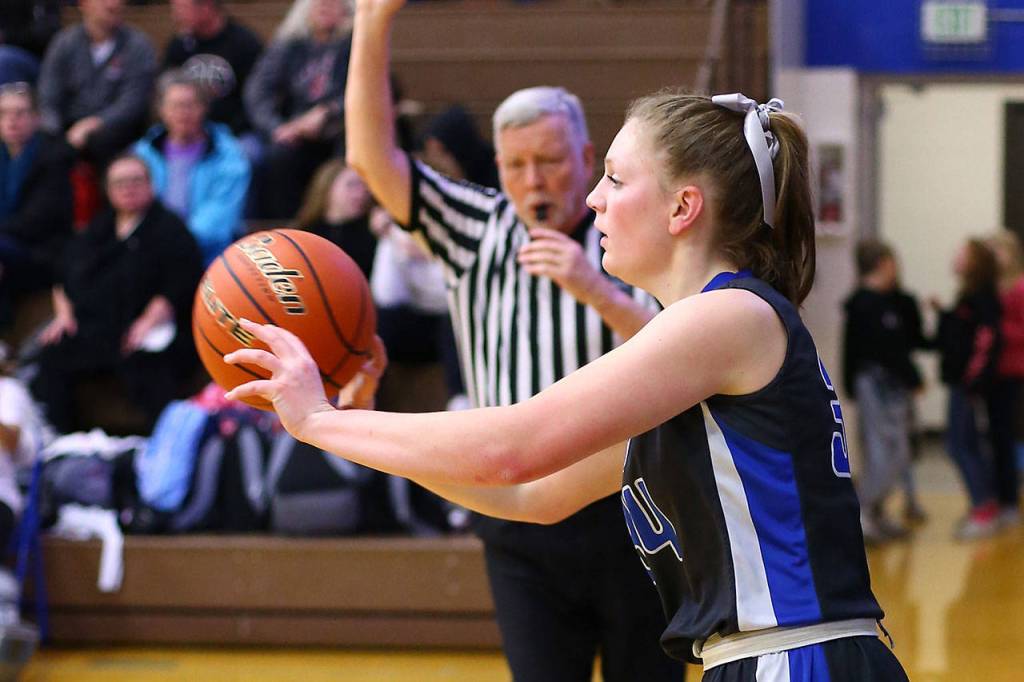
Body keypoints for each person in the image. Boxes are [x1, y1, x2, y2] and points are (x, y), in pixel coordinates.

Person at [223, 83, 909, 679]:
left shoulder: (727, 316)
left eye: (613, 177)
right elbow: (528, 493)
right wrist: (353, 432)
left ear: (682, 209)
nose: (592, 199)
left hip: (797, 658)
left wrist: (318, 420)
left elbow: (514, 445)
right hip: (763, 658)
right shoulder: (706, 344)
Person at [337, 3, 680, 681]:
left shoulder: (638, 238)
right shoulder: (474, 229)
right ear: (497, 166)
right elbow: (371, 158)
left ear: (587, 158)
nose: (534, 181)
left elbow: (681, 359)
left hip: (636, 512)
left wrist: (598, 291)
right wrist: (372, 23)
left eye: (551, 162)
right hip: (517, 518)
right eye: (517, 165)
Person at [29, 155, 203, 435]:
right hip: (97, 328)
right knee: (53, 353)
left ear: (150, 185)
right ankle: (62, 438)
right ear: (108, 190)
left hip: (150, 330)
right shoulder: (99, 229)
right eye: (120, 182)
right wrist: (64, 315)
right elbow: (63, 275)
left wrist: (150, 320)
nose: (128, 188)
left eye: (136, 181)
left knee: (151, 363)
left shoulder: (170, 229)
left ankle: (158, 442)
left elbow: (179, 283)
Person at [842, 239, 927, 543]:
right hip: (878, 388)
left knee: (897, 452)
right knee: (884, 453)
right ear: (884, 263)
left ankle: (874, 512)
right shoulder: (867, 305)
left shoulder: (883, 302)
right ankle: (863, 512)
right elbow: (885, 350)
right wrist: (913, 377)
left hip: (884, 388)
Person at [244, 0, 352, 219]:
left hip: (342, 130)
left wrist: (327, 111)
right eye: (319, 4)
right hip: (294, 132)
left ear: (347, 11)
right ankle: (287, 229)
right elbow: (257, 92)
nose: (325, 7)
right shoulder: (289, 44)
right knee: (277, 156)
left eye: (333, 5)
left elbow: (372, 89)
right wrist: (277, 126)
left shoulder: (357, 45)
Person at [133, 69, 251, 265]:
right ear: (161, 110)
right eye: (175, 106)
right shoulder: (142, 154)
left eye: (190, 105)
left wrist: (175, 243)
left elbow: (219, 217)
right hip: (150, 255)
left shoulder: (230, 156)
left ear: (204, 108)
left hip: (211, 259)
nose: (183, 113)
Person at [934, 239, 1003, 540]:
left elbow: (985, 341)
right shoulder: (969, 298)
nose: (956, 257)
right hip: (961, 382)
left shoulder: (983, 298)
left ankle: (983, 508)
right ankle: (984, 504)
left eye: (963, 254)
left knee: (961, 445)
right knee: (965, 444)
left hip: (967, 385)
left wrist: (972, 380)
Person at [36, 0, 156, 168]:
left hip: (116, 132)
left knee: (103, 141)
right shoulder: (64, 43)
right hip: (68, 128)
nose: (112, 5)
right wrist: (55, 133)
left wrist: (94, 123)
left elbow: (133, 102)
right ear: (83, 4)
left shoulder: (137, 45)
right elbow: (48, 96)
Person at [0, 81, 73, 330]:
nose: (12, 120)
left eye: (20, 113)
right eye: (4, 114)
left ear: (36, 118)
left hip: (41, 252)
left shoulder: (54, 156)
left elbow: (38, 220)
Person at [164, 0, 264, 157]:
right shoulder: (179, 46)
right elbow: (165, 93)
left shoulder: (245, 44)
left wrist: (227, 133)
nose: (175, 16)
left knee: (250, 154)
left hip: (236, 131)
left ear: (206, 7)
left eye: (182, 9)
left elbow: (255, 99)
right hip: (187, 129)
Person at [986, 230, 1024, 526]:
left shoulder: (1019, 288)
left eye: (997, 249)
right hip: (992, 372)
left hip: (1013, 371)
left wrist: (999, 333)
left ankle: (1010, 499)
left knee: (1006, 435)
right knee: (995, 437)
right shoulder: (989, 287)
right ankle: (1000, 495)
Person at [294, 159, 378, 279]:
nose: (362, 193)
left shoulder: (373, 230)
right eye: (352, 184)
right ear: (328, 187)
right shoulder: (304, 232)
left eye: (365, 186)